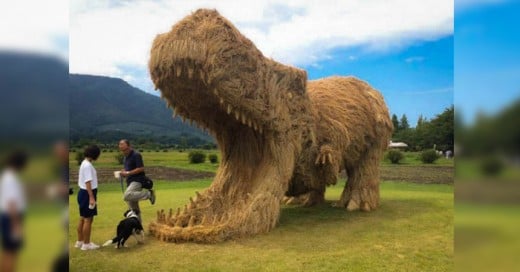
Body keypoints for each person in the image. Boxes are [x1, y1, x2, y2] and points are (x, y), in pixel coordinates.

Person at [0, 150, 28, 272]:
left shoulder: (7, 176)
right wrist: (16, 224)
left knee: (8, 251)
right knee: (11, 253)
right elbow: (11, 203)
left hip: (8, 217)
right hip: (11, 218)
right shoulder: (10, 178)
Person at [118, 139, 155, 218]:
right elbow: (128, 170)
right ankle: (138, 229)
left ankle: (149, 194)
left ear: (129, 146)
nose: (124, 152)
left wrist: (128, 173)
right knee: (134, 209)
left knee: (127, 195)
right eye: (122, 150)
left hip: (137, 180)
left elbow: (141, 168)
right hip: (129, 182)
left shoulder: (136, 155)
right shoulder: (125, 158)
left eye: (125, 150)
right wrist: (123, 173)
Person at [74, 145, 101, 250]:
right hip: (87, 193)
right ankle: (86, 244)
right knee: (88, 220)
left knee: (82, 218)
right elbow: (88, 182)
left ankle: (80, 241)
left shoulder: (84, 163)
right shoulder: (88, 166)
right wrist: (91, 197)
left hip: (82, 193)